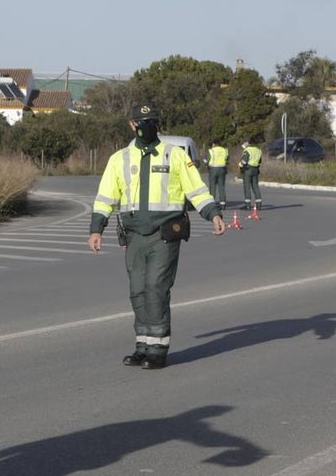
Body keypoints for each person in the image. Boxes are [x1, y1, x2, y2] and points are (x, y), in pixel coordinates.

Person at [87, 103, 225, 370]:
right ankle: (143, 345)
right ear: (132, 124)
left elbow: (196, 189)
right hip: (134, 235)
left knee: (156, 288)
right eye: (141, 122)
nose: (146, 126)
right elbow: (106, 197)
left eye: (151, 121)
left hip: (165, 233)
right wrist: (96, 229)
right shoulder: (119, 159)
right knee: (137, 290)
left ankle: (158, 349)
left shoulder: (175, 155)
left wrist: (213, 214)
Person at [238, 139, 263, 211]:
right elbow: (260, 161)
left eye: (245, 142)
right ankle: (259, 205)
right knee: (255, 186)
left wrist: (240, 165)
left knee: (247, 187)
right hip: (256, 169)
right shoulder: (259, 150)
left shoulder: (247, 150)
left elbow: (244, 161)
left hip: (248, 170)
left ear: (248, 143)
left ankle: (247, 205)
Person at [205, 138, 229, 211]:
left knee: (213, 187)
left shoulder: (211, 151)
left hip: (213, 169)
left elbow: (206, 160)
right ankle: (223, 204)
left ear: (213, 144)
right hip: (222, 169)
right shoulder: (225, 150)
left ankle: (212, 204)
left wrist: (205, 163)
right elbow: (227, 160)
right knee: (221, 186)